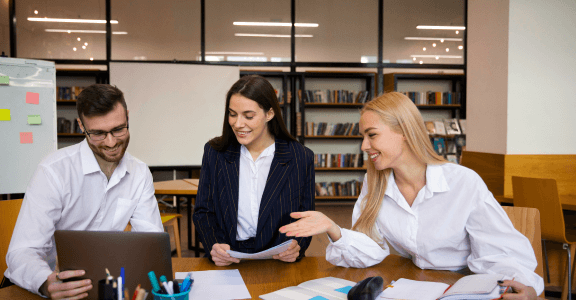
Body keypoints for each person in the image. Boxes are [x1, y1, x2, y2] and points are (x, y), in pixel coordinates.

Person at [279, 92, 544, 299]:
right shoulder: (375, 181)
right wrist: (333, 228)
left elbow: (501, 253)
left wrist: (525, 286)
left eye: (372, 135)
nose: (364, 146)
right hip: (416, 285)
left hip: (465, 287)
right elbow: (370, 248)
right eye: (363, 137)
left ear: (404, 133)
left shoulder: (462, 182)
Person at [4, 84, 163, 299]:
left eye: (119, 129)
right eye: (98, 133)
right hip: (44, 287)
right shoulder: (54, 171)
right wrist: (46, 282)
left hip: (103, 284)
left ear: (127, 116)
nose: (111, 142)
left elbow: (151, 243)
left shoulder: (139, 172)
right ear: (81, 125)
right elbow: (21, 252)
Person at [193, 75, 314, 266]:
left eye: (248, 116)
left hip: (278, 261)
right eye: (232, 114)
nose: (238, 123)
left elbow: (305, 216)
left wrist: (296, 246)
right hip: (228, 259)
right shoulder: (215, 152)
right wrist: (214, 245)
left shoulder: (300, 157)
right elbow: (203, 211)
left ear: (269, 114)